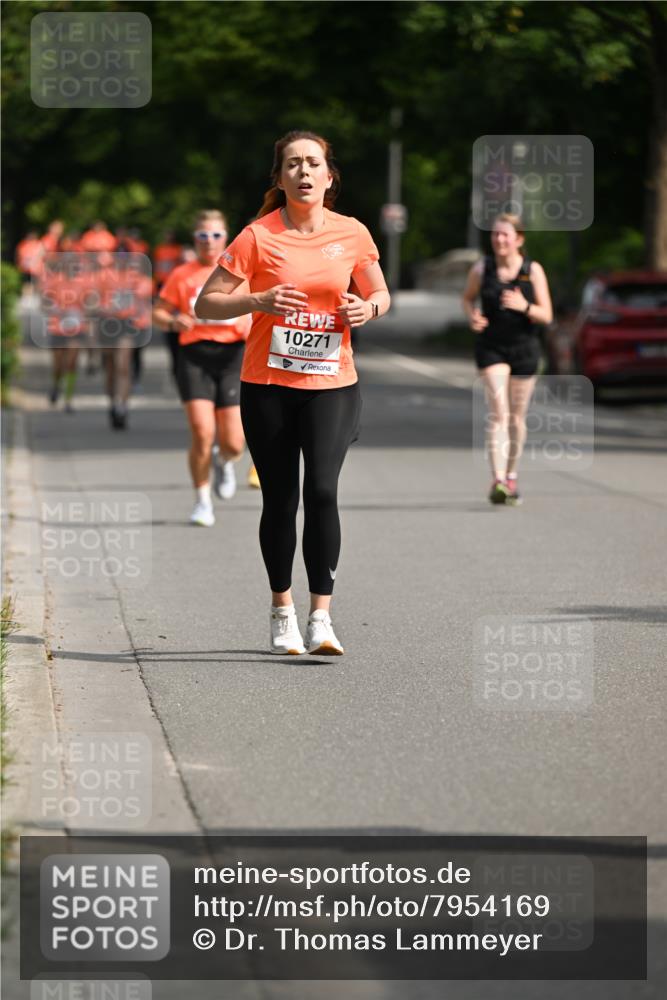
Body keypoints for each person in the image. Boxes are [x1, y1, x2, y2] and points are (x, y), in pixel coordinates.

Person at [195, 130, 390, 655]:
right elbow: (205, 305)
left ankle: (320, 617)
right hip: (267, 385)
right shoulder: (257, 237)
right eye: (293, 164)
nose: (304, 172)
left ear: (329, 177)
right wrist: (255, 300)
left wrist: (366, 309)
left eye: (313, 163)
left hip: (332, 384)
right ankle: (283, 611)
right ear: (279, 178)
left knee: (322, 490)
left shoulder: (352, 233)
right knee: (281, 500)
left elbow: (379, 292)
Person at [153, 210, 251, 526]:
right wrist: (173, 320)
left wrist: (251, 324)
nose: (209, 243)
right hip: (194, 355)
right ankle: (202, 501)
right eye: (203, 236)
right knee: (202, 430)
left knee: (234, 441)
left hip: (233, 355)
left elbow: (257, 310)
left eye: (216, 236)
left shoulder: (240, 274)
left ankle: (224, 461)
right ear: (195, 240)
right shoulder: (182, 274)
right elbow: (158, 313)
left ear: (227, 239)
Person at [462, 213, 553, 506]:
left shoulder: (532, 270)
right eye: (495, 235)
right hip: (492, 348)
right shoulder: (482, 268)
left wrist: (524, 305)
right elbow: (467, 298)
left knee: (516, 417)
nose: (499, 240)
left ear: (519, 239)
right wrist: (472, 316)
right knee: (498, 413)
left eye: (505, 235)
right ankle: (498, 479)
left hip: (525, 349)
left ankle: (512, 475)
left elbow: (546, 315)